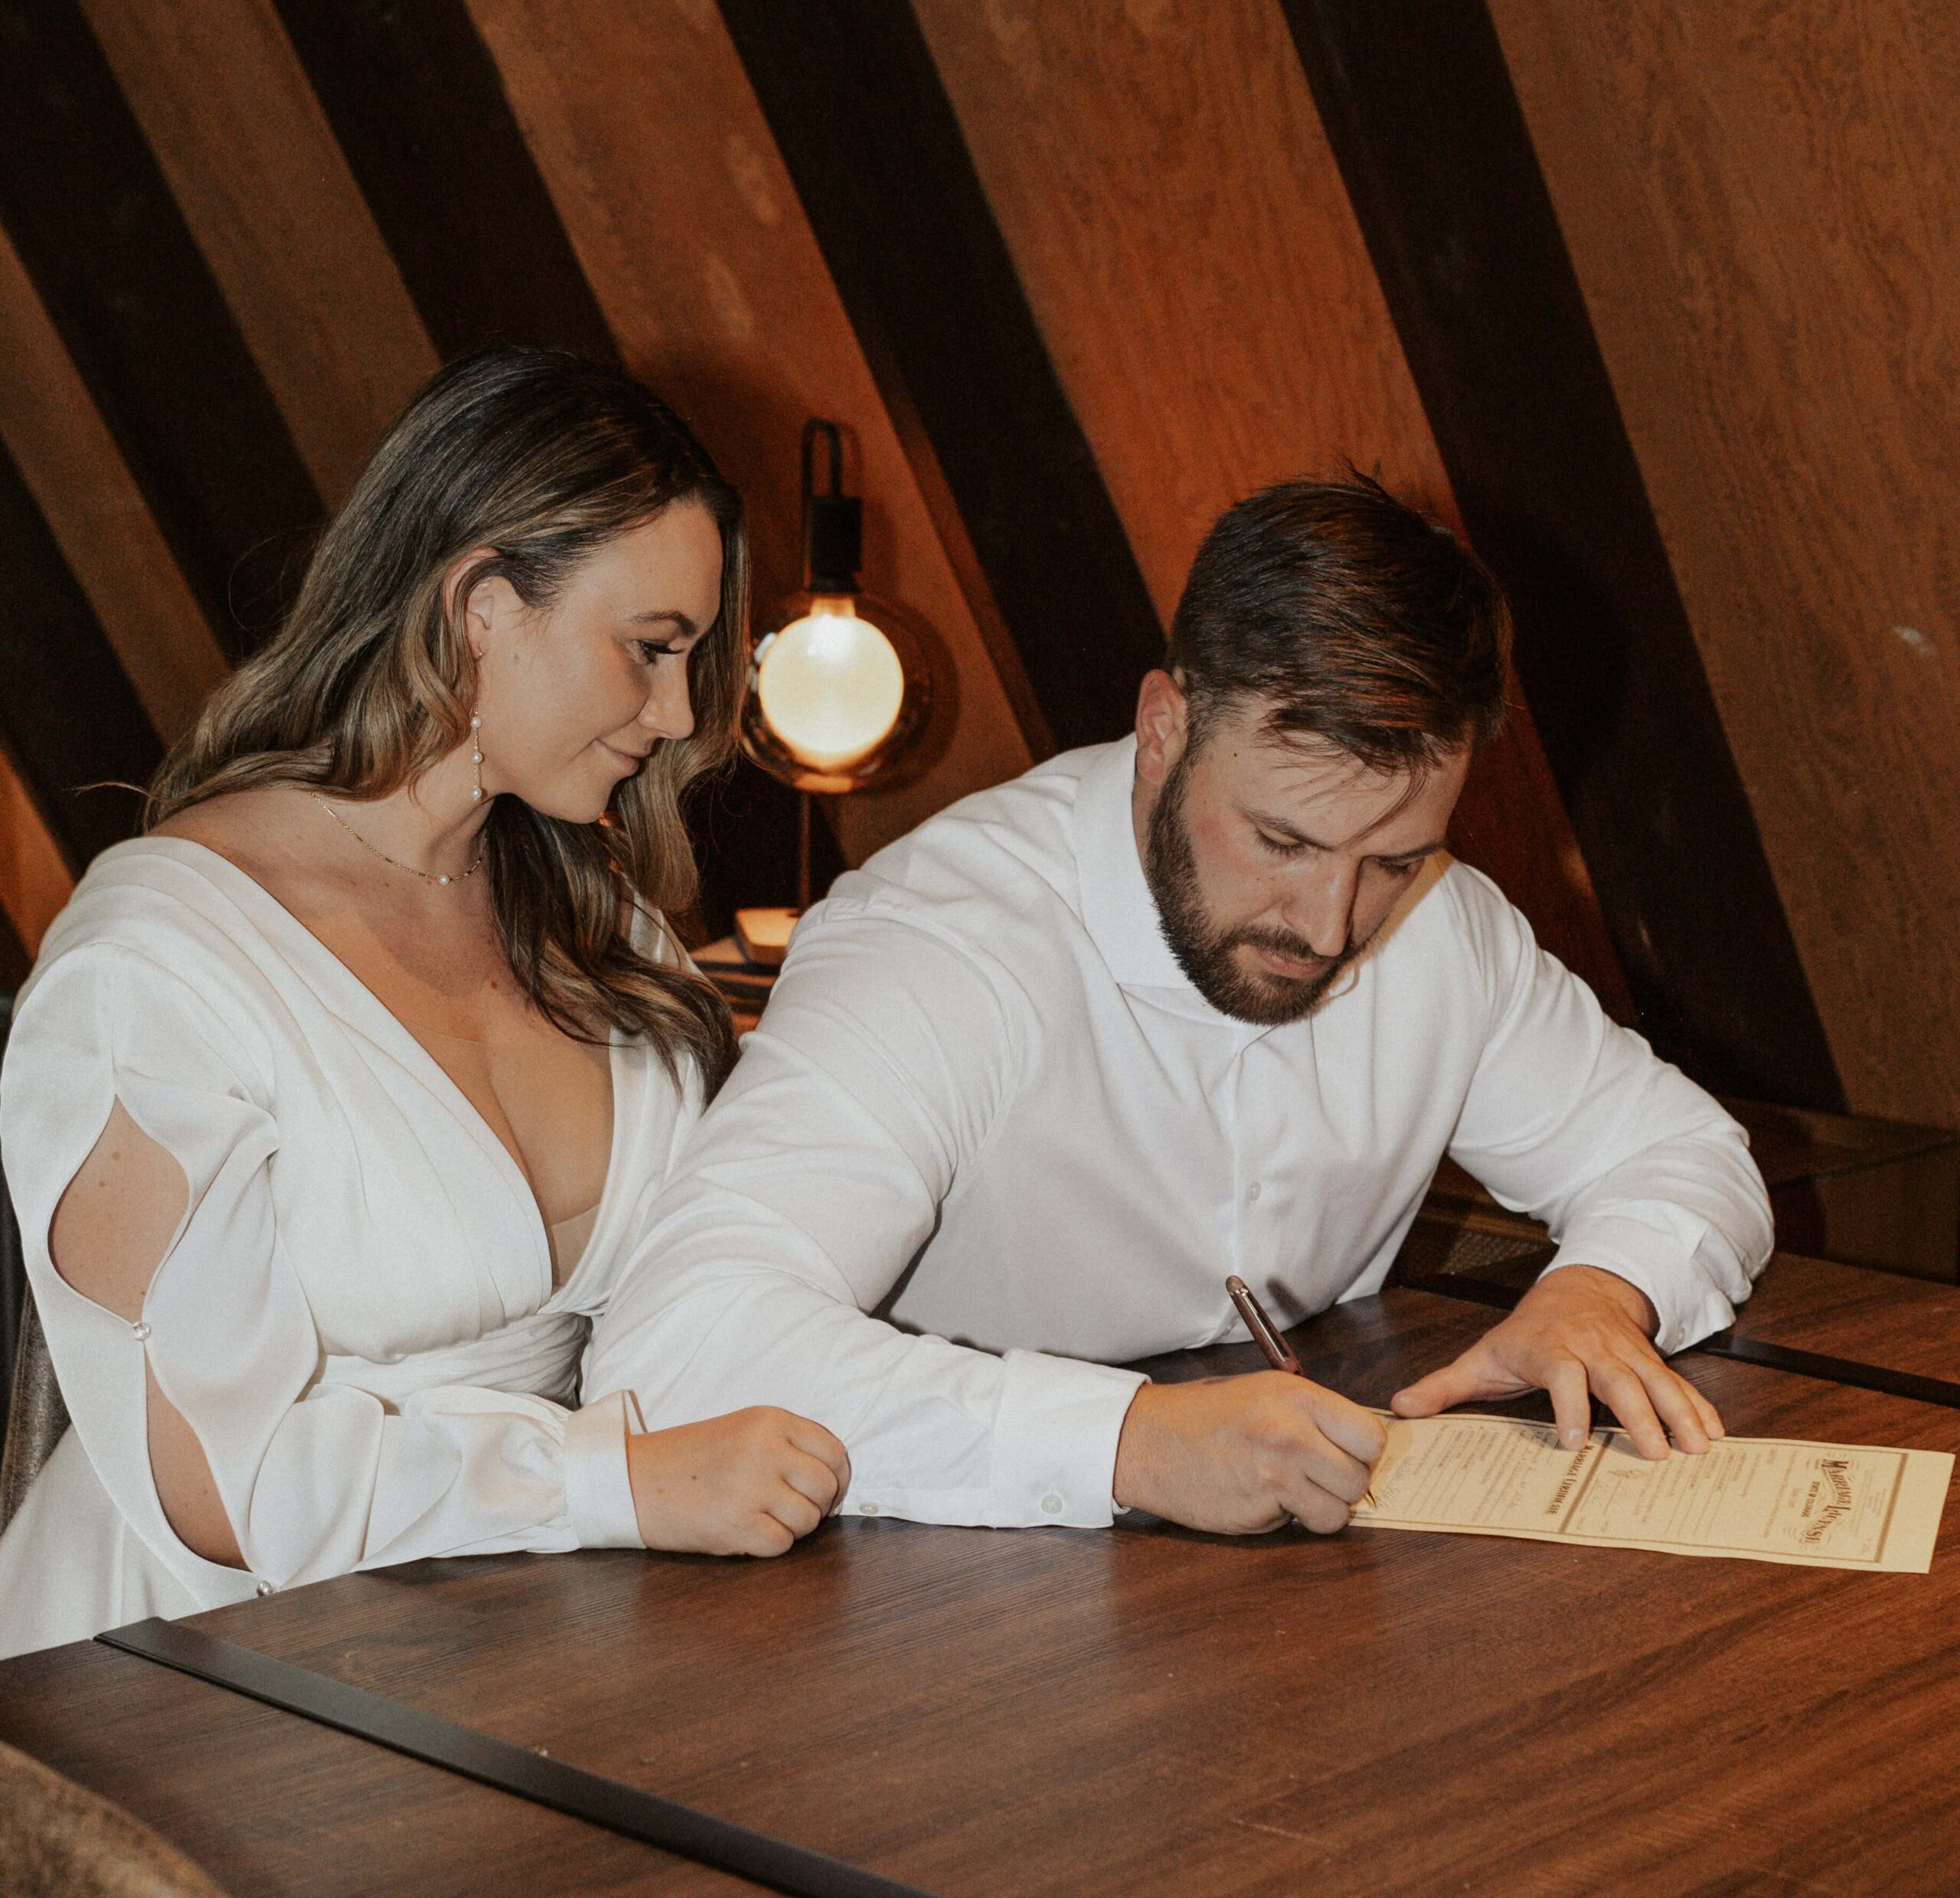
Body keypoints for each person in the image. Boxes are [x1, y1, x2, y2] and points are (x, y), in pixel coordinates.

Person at [586, 476, 1772, 1538]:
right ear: (1164, 726)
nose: (1328, 925)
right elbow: (678, 1350)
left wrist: (1598, 1291)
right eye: (1280, 840)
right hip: (919, 1605)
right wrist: (1128, 1442)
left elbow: (1680, 1153)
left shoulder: (1447, 932)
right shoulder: (942, 945)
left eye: (1395, 862)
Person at [0, 348, 848, 1658]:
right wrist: (613, 1482)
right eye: (650, 650)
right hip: (197, 1682)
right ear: (481, 607)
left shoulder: (595, 911)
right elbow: (226, 1487)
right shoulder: (153, 967)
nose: (678, 714)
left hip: (544, 1636)